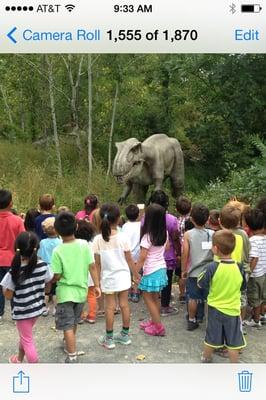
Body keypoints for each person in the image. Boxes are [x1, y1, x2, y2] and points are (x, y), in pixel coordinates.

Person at [51, 212, 101, 363]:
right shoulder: (84, 245)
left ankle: (72, 355)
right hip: (81, 292)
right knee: (73, 322)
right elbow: (92, 266)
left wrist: (52, 280)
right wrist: (97, 285)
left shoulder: (57, 251)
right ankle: (69, 345)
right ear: (76, 226)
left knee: (66, 324)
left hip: (65, 293)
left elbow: (57, 275)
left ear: (57, 231)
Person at [0, 231, 53, 363]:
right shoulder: (43, 266)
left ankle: (34, 367)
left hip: (22, 312)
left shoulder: (14, 271)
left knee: (27, 339)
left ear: (16, 248)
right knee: (25, 336)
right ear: (36, 248)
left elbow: (8, 295)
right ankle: (18, 359)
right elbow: (49, 281)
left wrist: (4, 289)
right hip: (36, 309)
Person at [93, 203, 138, 349]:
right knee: (124, 305)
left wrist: (97, 283)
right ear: (119, 219)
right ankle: (125, 336)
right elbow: (129, 259)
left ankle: (109, 338)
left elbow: (97, 264)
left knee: (110, 307)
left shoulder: (98, 240)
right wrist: (136, 274)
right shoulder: (123, 238)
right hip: (124, 277)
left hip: (109, 279)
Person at [198, 230, 246, 363]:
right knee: (233, 341)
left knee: (211, 337)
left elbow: (201, 283)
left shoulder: (211, 267)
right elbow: (243, 287)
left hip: (214, 308)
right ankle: (234, 365)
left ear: (215, 249)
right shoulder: (239, 267)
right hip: (233, 309)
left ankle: (206, 357)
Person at [137, 204, 168, 336]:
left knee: (148, 298)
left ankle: (159, 327)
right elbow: (166, 248)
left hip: (150, 271)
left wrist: (135, 272)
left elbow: (142, 258)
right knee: (155, 298)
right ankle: (154, 321)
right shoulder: (164, 233)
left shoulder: (147, 237)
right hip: (161, 268)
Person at [181, 203, 214, 331]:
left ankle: (192, 319)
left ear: (192, 219)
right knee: (209, 298)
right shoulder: (213, 234)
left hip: (194, 272)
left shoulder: (188, 234)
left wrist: (184, 270)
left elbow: (185, 254)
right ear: (207, 219)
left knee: (193, 297)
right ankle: (210, 321)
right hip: (210, 272)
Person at [147, 190, 179, 316]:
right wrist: (178, 252)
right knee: (167, 280)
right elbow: (175, 238)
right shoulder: (172, 220)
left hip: (151, 255)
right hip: (168, 256)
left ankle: (153, 305)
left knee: (153, 279)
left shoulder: (146, 219)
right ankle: (165, 306)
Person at [219, 204, 250, 328]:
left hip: (227, 269)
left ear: (221, 221)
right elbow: (247, 252)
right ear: (239, 220)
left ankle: (226, 322)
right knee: (241, 298)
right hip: (243, 270)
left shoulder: (222, 235)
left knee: (227, 296)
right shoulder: (243, 234)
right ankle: (240, 324)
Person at [0, 189, 25, 324]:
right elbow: (23, 239)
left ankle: (0, 313)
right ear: (11, 203)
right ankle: (16, 312)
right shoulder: (17, 220)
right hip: (13, 259)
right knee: (15, 286)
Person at [244, 208, 266, 328]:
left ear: (249, 225)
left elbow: (254, 258)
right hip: (264, 272)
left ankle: (256, 320)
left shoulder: (252, 240)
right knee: (263, 295)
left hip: (255, 275)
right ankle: (263, 315)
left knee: (255, 299)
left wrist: (248, 273)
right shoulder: (264, 237)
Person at [37, 217, 62, 316]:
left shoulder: (42, 242)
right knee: (56, 289)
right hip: (56, 267)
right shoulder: (60, 242)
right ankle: (55, 309)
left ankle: (44, 308)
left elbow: (39, 256)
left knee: (46, 289)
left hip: (45, 267)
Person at [75, 219, 98, 324]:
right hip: (91, 273)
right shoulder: (91, 244)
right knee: (91, 295)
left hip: (80, 273)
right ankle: (92, 316)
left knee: (79, 296)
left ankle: (79, 315)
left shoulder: (76, 244)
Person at [122, 204, 141, 302]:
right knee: (137, 273)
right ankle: (136, 291)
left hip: (128, 254)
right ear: (138, 215)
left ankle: (129, 291)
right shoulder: (141, 225)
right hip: (138, 253)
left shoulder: (124, 226)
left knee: (129, 273)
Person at [175, 196, 193, 303]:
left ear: (177, 209)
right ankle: (191, 292)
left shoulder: (176, 222)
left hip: (181, 251)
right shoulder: (192, 221)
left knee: (181, 273)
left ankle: (182, 294)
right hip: (192, 249)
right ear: (190, 209)